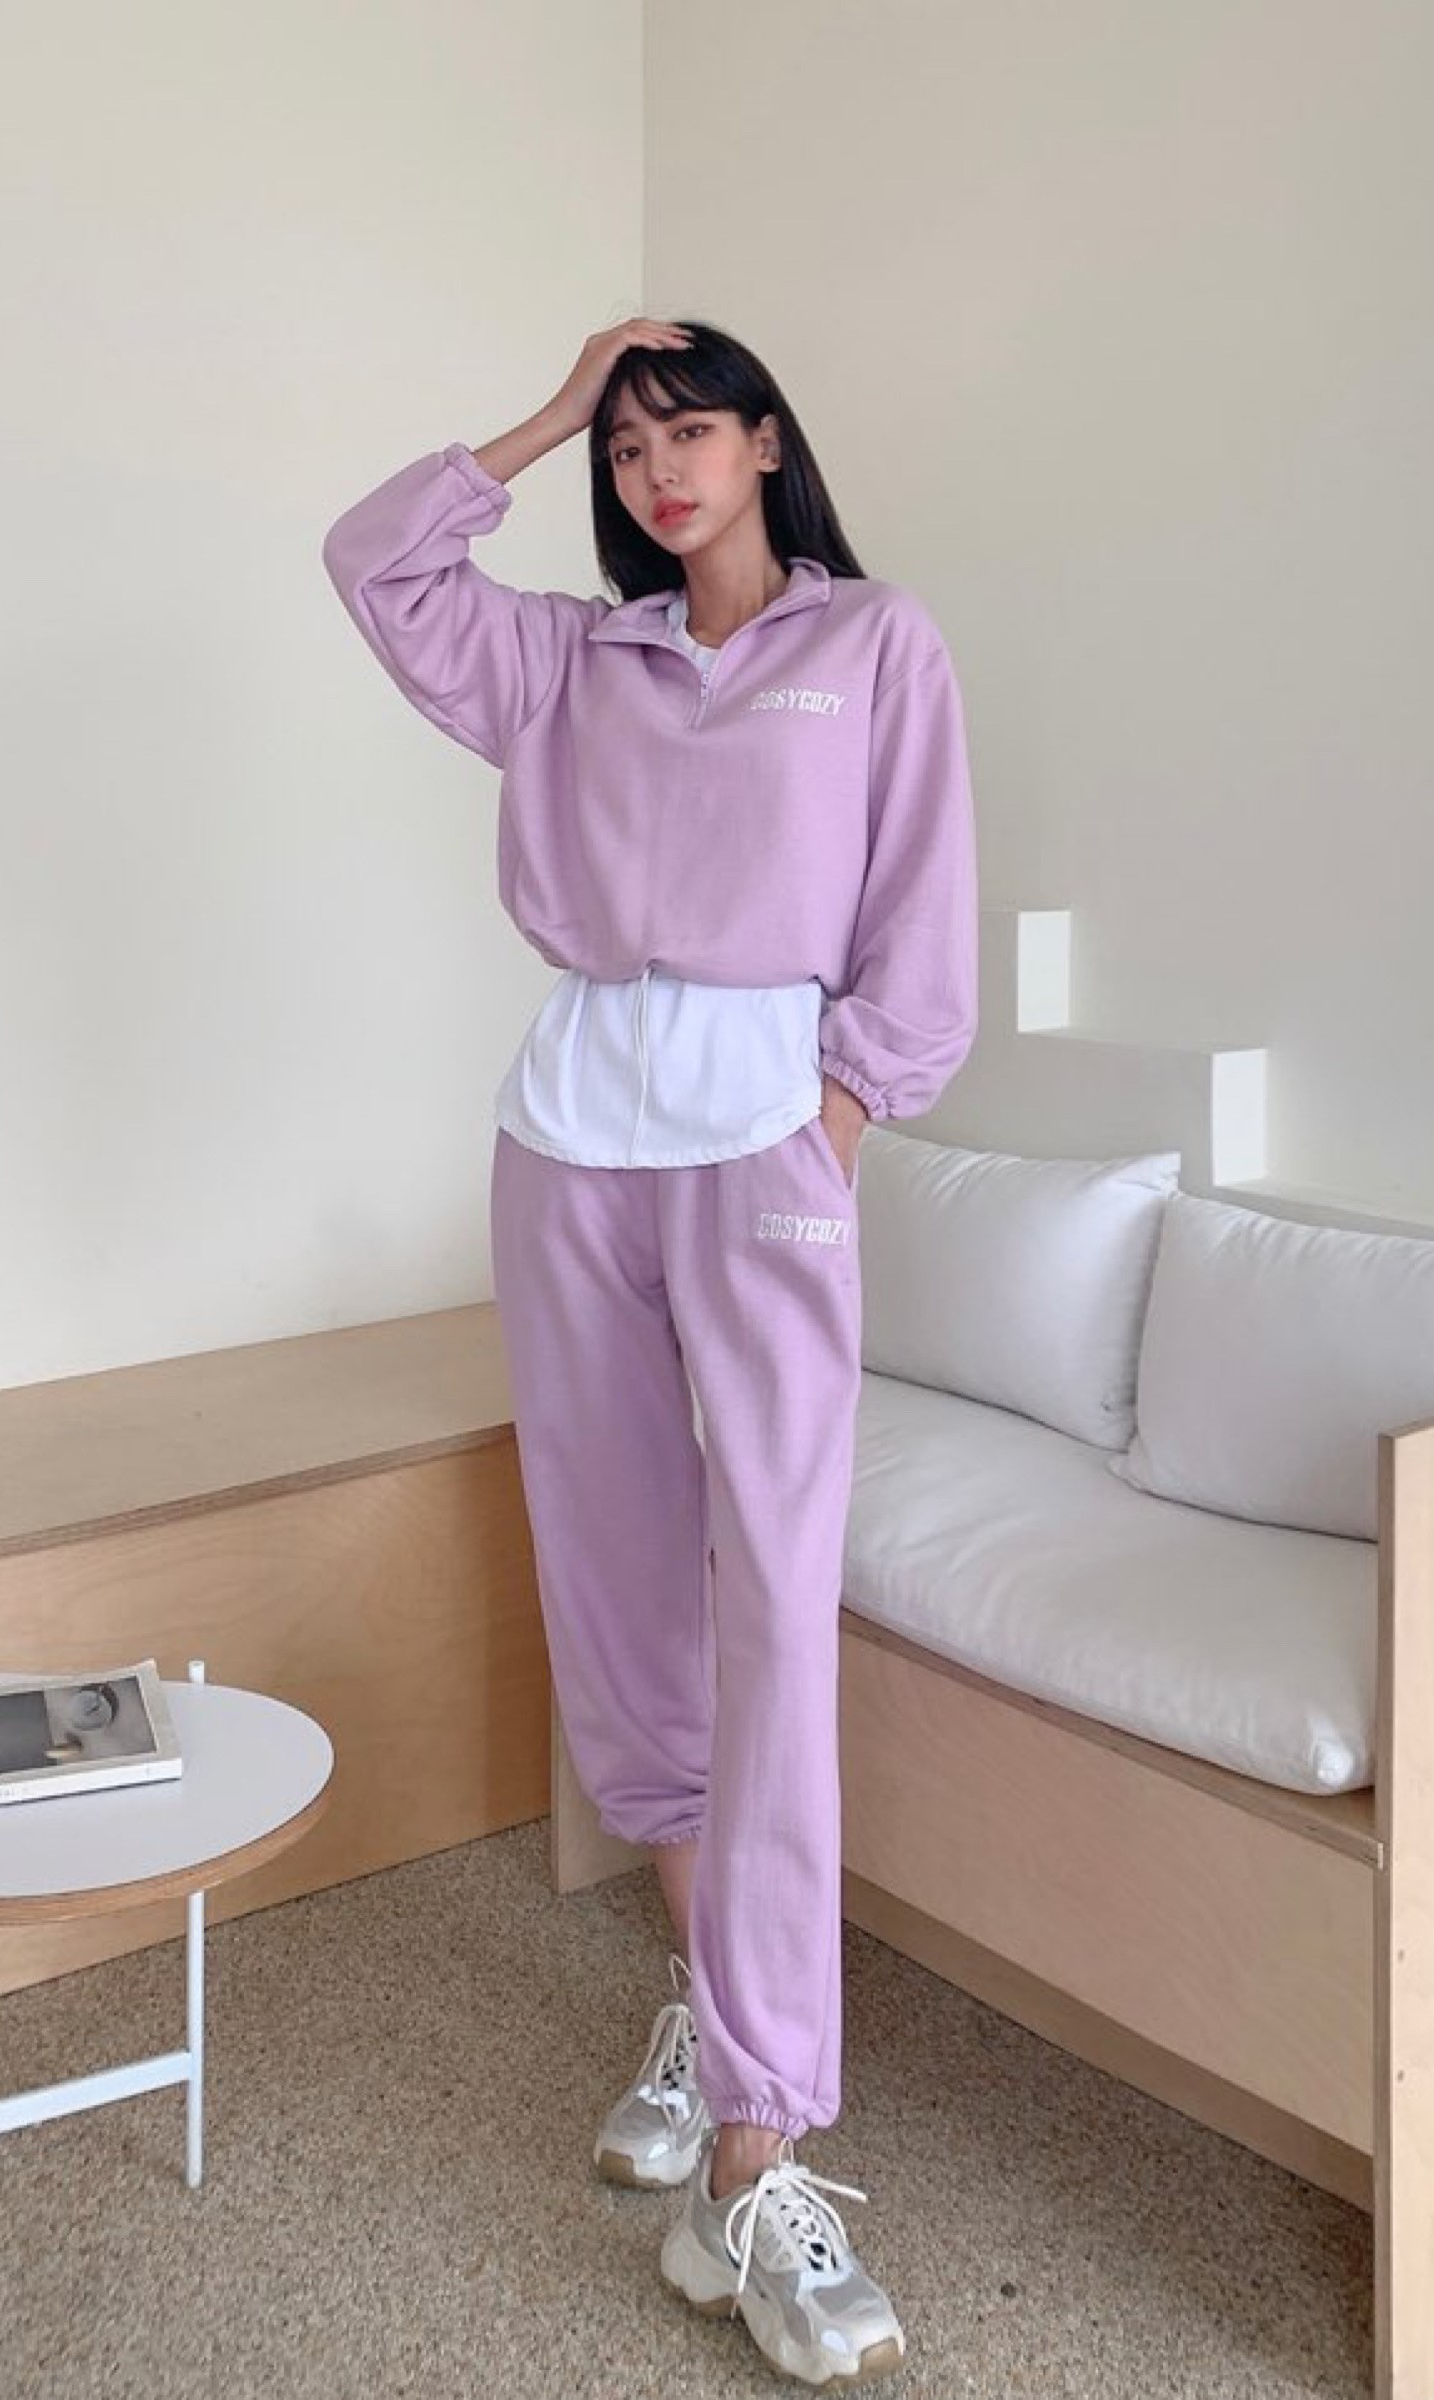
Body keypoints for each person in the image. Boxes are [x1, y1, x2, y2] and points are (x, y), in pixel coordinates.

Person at [321, 315, 978, 2386]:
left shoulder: (872, 644)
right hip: (565, 1145)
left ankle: (760, 2145)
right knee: (617, 1599)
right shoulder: (567, 663)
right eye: (626, 446)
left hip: (763, 1140)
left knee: (771, 1600)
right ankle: (709, 2001)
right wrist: (542, 406)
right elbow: (369, 562)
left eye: (688, 429)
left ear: (767, 443)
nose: (656, 468)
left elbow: (921, 913)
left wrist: (841, 1113)